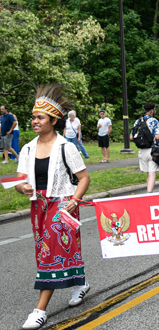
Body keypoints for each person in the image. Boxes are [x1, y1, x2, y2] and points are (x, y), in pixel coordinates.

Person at [15, 84, 91, 330]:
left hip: (63, 206)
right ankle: (80, 283)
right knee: (51, 253)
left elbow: (84, 178)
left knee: (50, 254)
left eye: (40, 117)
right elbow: (20, 182)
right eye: (33, 117)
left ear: (53, 120)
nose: (34, 121)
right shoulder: (27, 148)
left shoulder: (65, 147)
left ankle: (40, 310)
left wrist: (74, 201)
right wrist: (23, 188)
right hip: (38, 207)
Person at [129, 103, 159, 193]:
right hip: (152, 150)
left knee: (148, 173)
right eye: (154, 110)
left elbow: (131, 137)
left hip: (141, 151)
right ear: (151, 111)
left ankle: (148, 191)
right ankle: (149, 193)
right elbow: (157, 136)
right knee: (152, 173)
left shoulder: (138, 121)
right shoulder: (154, 121)